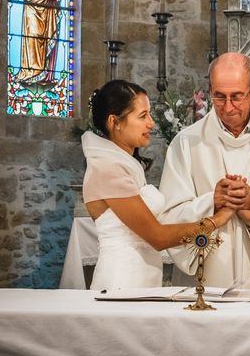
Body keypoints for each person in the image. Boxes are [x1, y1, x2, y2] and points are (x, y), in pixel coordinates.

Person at [159, 53, 250, 291]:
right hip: (205, 273)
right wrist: (213, 201)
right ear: (209, 91)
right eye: (219, 97)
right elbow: (168, 216)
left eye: (237, 97)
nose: (228, 107)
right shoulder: (186, 142)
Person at [81, 79, 234, 291]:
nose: (151, 123)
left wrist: (211, 200)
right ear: (114, 122)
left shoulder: (123, 164)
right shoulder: (108, 169)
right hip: (122, 280)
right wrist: (216, 220)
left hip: (142, 274)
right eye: (143, 116)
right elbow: (158, 237)